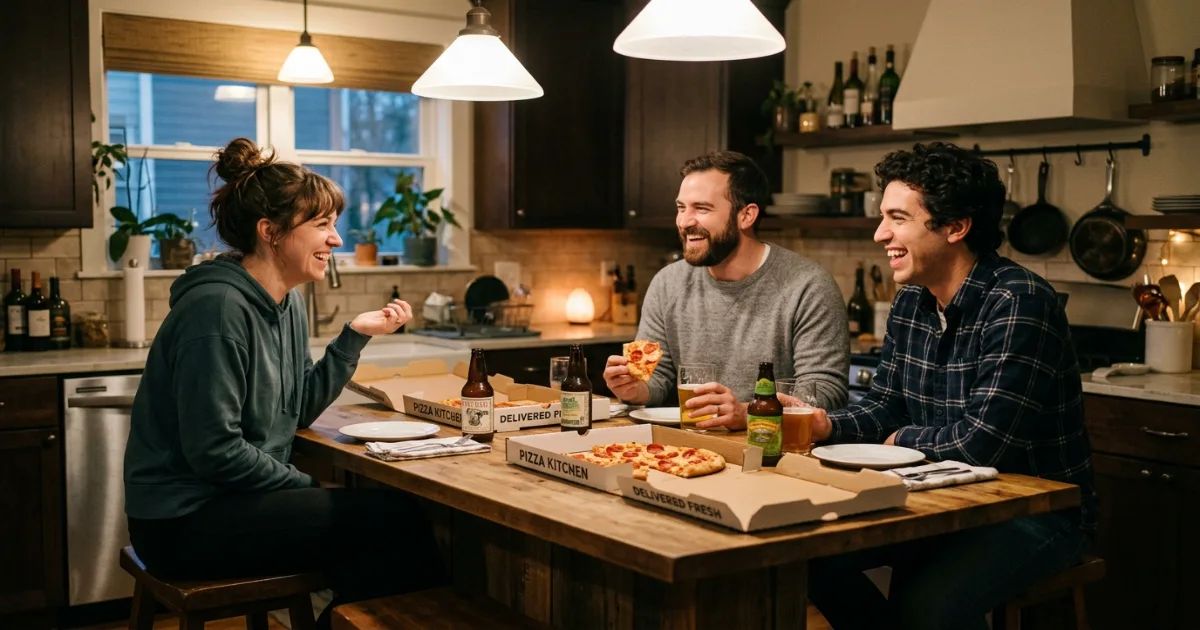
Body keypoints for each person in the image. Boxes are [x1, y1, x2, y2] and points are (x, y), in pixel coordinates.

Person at [123, 138, 445, 629]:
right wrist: (307, 486)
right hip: (183, 521)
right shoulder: (216, 309)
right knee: (394, 522)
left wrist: (354, 336)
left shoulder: (287, 300)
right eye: (322, 225)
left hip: (235, 502)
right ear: (269, 232)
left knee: (380, 532)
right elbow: (214, 450)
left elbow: (295, 407)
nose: (336, 240)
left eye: (333, 224)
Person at [803, 142, 1096, 630]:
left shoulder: (1018, 300)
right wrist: (821, 423)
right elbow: (884, 407)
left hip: (1036, 514)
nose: (881, 234)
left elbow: (983, 444)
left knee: (928, 608)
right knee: (812, 561)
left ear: (956, 227)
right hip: (938, 503)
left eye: (898, 218)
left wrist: (901, 441)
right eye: (883, 218)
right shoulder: (911, 302)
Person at [604, 150, 848, 428]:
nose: (684, 222)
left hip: (772, 453)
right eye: (681, 208)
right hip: (684, 450)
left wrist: (747, 412)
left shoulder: (809, 285)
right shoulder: (666, 283)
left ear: (747, 216)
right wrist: (634, 389)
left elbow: (824, 394)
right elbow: (655, 379)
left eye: (702, 208)